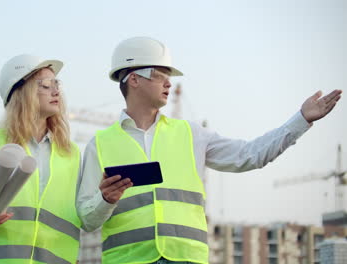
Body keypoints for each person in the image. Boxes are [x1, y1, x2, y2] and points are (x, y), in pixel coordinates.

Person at [76, 36, 342, 264]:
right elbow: (87, 219)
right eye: (160, 75)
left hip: (187, 259)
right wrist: (105, 200)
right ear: (133, 79)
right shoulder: (99, 144)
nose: (169, 83)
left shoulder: (191, 134)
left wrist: (301, 120)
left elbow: (249, 155)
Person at [0, 54, 82, 264]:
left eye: (56, 83)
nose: (56, 90)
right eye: (45, 85)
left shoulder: (71, 153)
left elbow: (84, 213)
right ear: (21, 92)